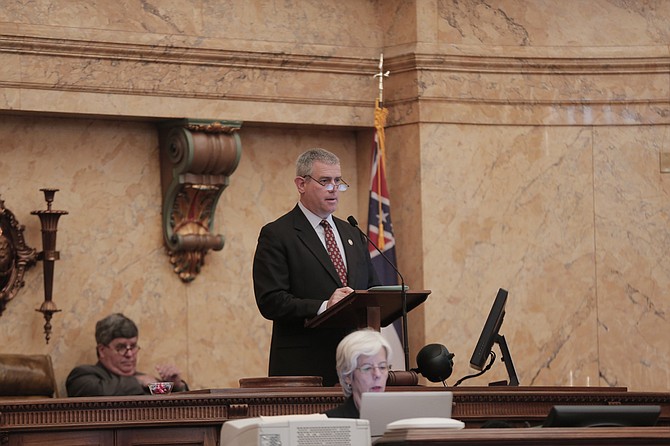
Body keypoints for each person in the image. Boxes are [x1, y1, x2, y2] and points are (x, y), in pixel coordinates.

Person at [253, 148, 380, 386]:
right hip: (304, 369)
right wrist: (324, 306)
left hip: (357, 368)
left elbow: (371, 290)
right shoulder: (278, 234)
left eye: (337, 181)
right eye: (325, 181)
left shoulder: (352, 232)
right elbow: (271, 300)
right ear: (301, 184)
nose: (333, 188)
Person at [66, 313, 189, 396]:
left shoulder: (148, 381)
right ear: (102, 350)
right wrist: (138, 382)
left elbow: (171, 403)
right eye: (121, 347)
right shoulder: (82, 377)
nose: (130, 354)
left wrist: (177, 386)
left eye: (133, 346)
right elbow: (98, 391)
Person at [324, 328, 391, 418]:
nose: (377, 375)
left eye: (382, 367)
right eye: (367, 368)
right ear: (348, 375)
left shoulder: (399, 419)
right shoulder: (329, 422)